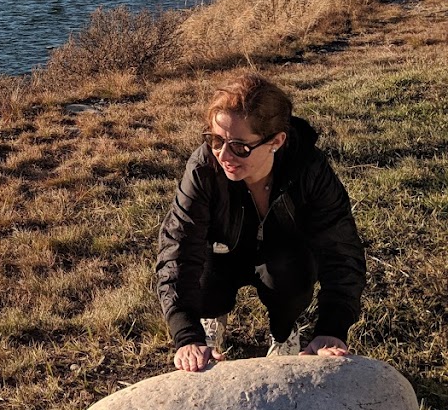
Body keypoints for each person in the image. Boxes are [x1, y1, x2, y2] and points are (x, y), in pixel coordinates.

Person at [156, 72, 366, 373]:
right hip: (222, 253)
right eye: (215, 139)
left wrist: (332, 328)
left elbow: (341, 250)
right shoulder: (203, 168)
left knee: (291, 278)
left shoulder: (309, 171)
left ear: (276, 141)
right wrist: (186, 332)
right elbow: (179, 245)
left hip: (284, 256)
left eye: (240, 146)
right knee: (202, 281)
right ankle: (212, 316)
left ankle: (284, 334)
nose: (223, 155)